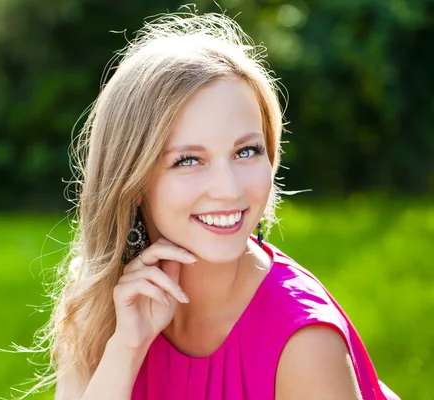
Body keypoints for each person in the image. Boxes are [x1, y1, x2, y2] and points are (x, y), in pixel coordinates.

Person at [39, 11, 401, 400]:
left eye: (246, 151)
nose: (228, 190)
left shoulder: (305, 342)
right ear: (133, 179)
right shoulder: (100, 302)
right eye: (189, 160)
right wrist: (126, 348)